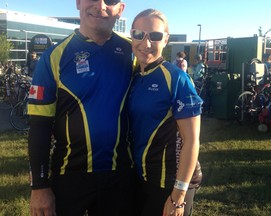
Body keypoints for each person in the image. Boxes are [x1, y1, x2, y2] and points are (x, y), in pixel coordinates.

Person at [27, 0, 135, 215]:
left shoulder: (133, 51)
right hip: (69, 175)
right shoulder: (53, 57)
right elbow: (39, 127)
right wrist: (39, 186)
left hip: (121, 174)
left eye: (110, 1)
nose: (100, 5)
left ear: (120, 9)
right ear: (78, 3)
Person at [128, 9, 203, 216]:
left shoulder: (176, 78)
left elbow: (192, 140)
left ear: (166, 39)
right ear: (131, 36)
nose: (146, 43)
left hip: (171, 183)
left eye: (155, 36)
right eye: (138, 34)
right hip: (142, 177)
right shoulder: (135, 75)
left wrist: (178, 196)